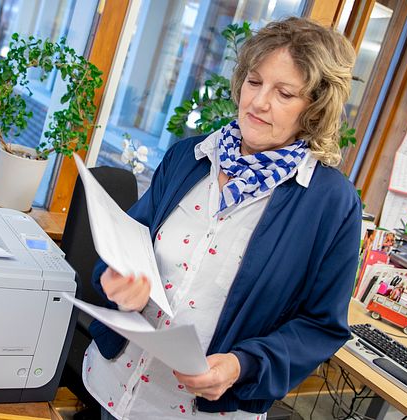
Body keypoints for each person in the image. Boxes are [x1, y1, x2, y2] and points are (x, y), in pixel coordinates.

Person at [83, 17, 361, 419]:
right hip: (115, 385)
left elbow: (321, 326)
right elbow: (129, 242)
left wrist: (241, 365)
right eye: (254, 82)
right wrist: (118, 277)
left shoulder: (331, 204)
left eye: (284, 93)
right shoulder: (189, 157)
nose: (258, 102)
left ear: (315, 108)